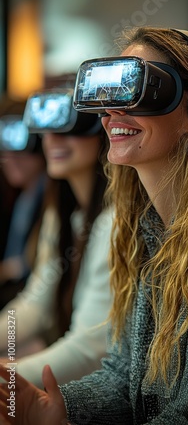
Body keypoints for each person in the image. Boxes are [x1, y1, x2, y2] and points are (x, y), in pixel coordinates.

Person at [0, 26, 188, 424]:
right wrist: (56, 409)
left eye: (141, 93)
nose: (112, 114)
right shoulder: (151, 235)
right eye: (108, 100)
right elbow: (122, 376)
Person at [0, 88, 113, 387]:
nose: (53, 139)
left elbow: (90, 350)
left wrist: (9, 379)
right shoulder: (61, 212)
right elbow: (34, 307)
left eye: (71, 126)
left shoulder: (115, 220)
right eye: (46, 130)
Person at [0, 99, 47, 309]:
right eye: (3, 146)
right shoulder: (21, 197)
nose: (11, 157)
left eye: (22, 145)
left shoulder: (50, 197)